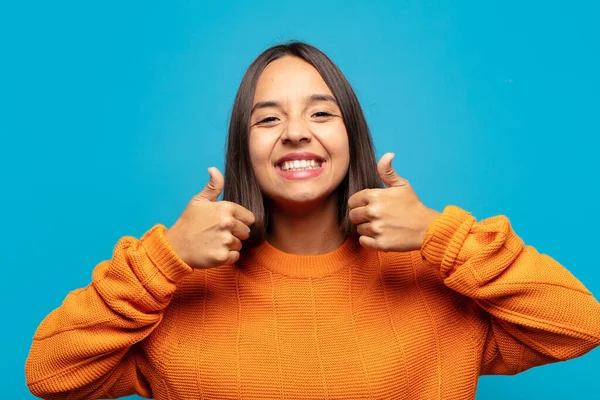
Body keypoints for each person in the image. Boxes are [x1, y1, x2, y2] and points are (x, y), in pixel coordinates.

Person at [26, 41, 600, 400]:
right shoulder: (176, 292)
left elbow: (580, 324)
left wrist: (438, 234)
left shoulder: (435, 283)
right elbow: (50, 374)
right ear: (243, 149)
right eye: (267, 118)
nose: (296, 131)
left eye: (321, 113)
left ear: (352, 137)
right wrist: (163, 258)